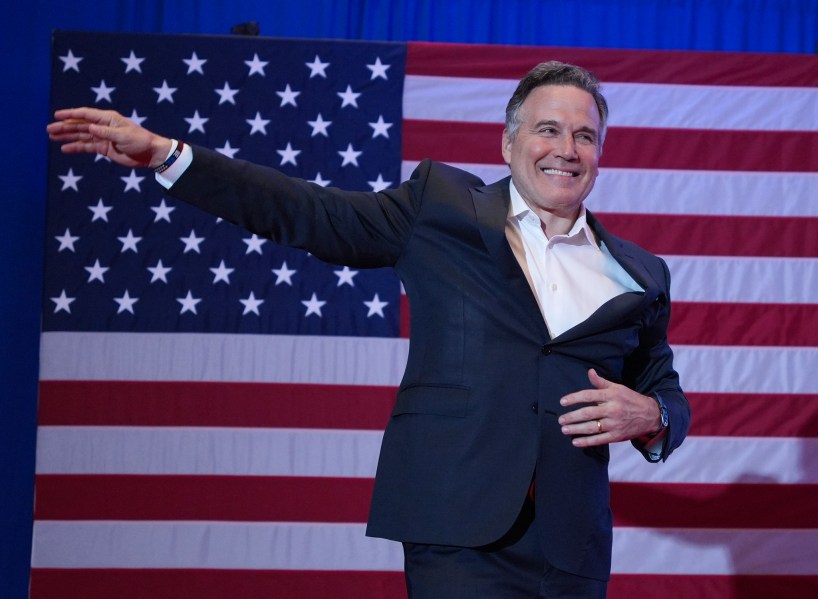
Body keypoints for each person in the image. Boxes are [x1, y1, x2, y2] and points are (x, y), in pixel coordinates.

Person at [47, 61, 690, 598]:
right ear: (509, 142)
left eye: (585, 136)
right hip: (458, 533)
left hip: (570, 548)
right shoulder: (440, 208)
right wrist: (169, 155)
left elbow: (665, 390)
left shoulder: (639, 272)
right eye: (549, 129)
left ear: (600, 153)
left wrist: (654, 416)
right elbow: (308, 211)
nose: (567, 150)